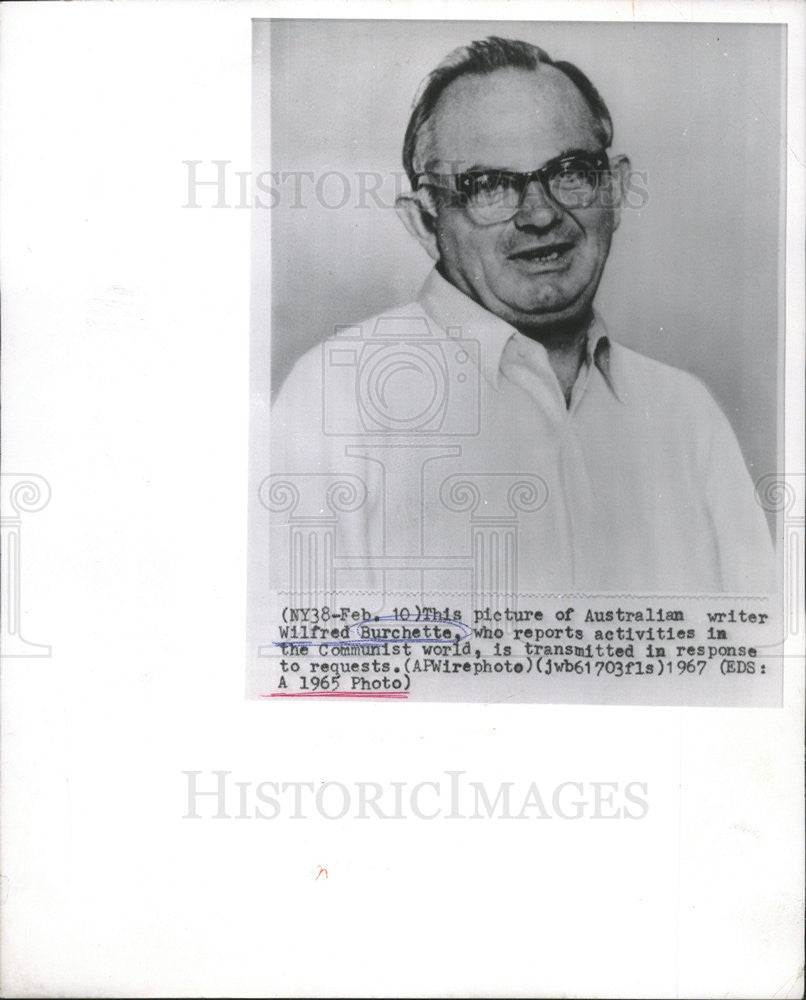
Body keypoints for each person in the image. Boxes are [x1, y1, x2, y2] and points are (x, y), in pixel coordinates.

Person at [269, 36, 774, 596]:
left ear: (617, 188)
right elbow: (299, 667)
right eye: (488, 186)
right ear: (422, 222)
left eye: (571, 172)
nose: (539, 214)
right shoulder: (337, 399)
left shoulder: (686, 415)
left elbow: (760, 663)